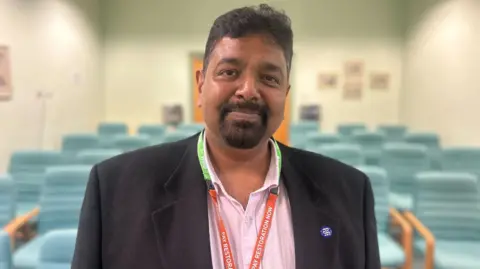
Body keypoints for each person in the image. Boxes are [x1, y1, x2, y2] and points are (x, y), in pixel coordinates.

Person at [72, 4, 381, 269]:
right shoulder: (117, 191)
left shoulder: (350, 194)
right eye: (229, 72)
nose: (248, 90)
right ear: (201, 85)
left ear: (285, 94)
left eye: (269, 78)